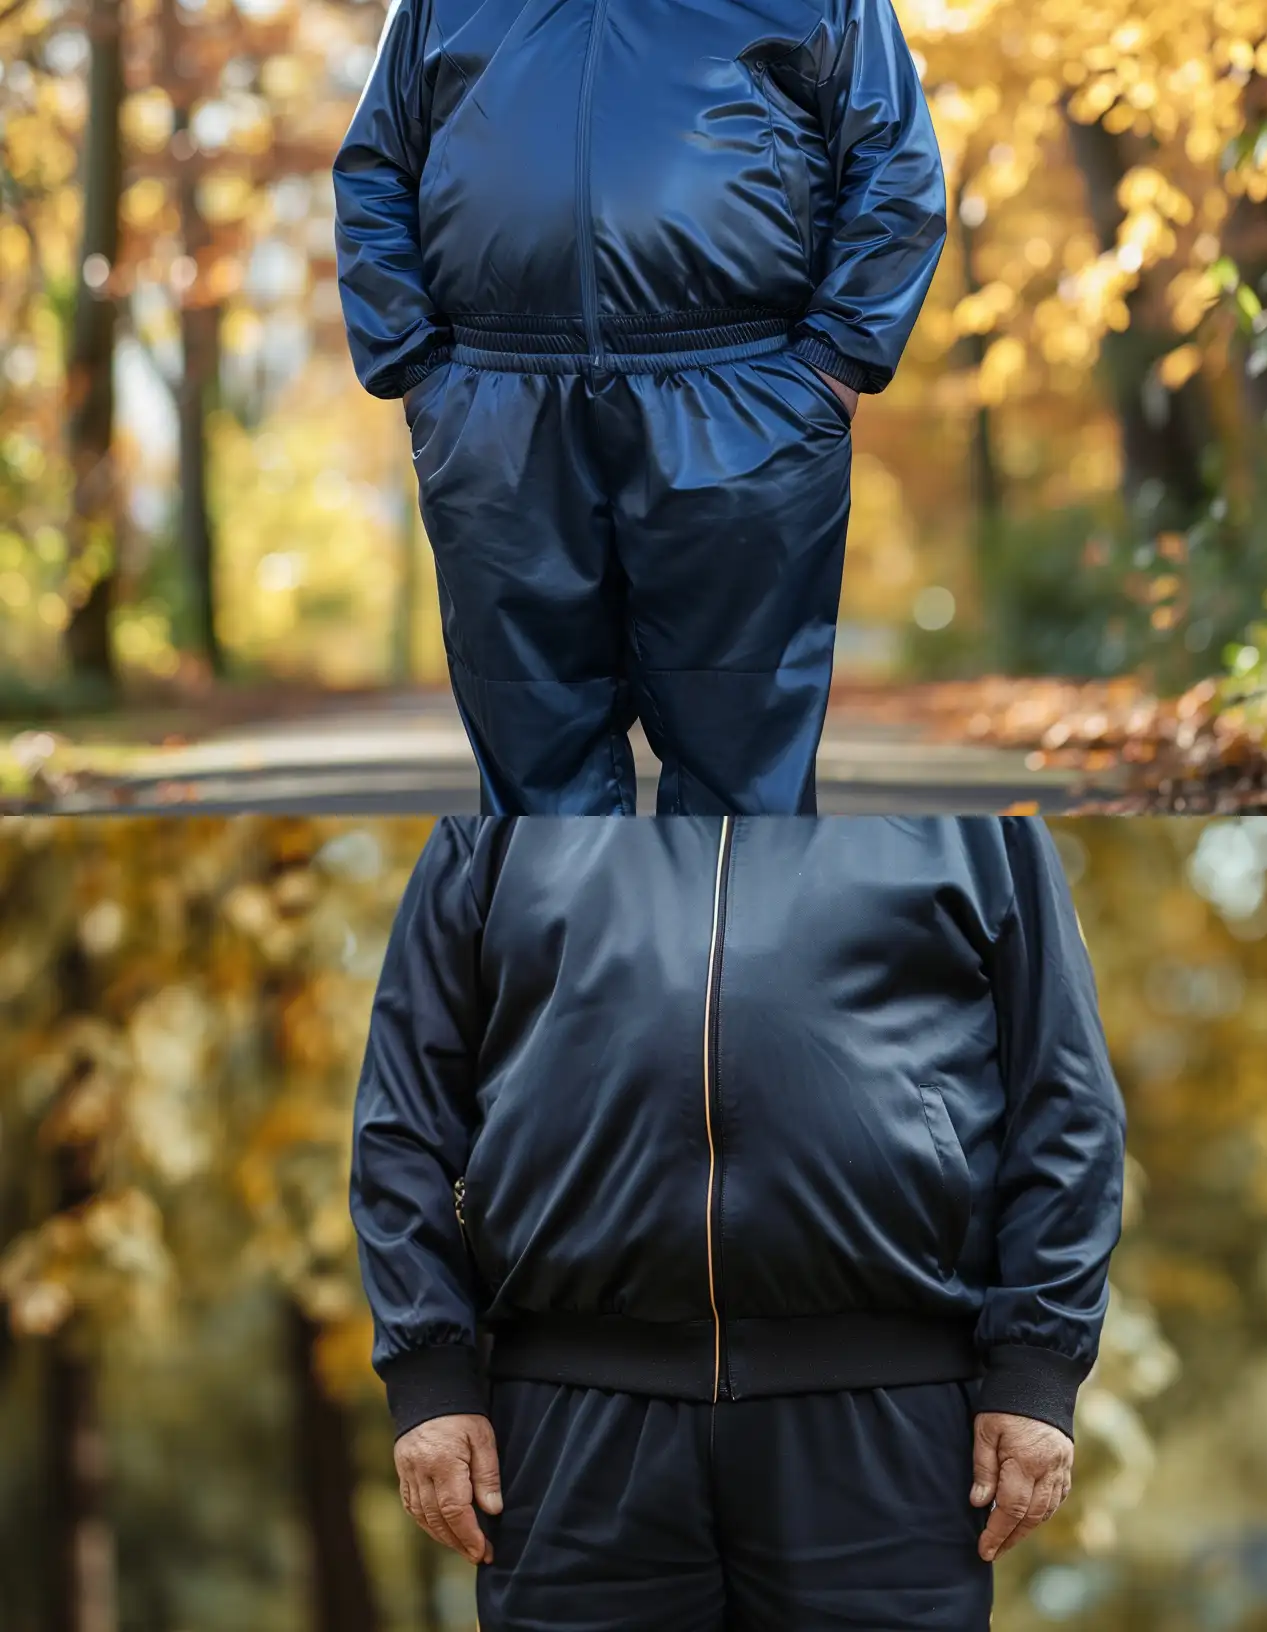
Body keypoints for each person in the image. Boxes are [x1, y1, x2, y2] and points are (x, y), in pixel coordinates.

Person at [352, 817, 1125, 1629]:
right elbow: (403, 1118)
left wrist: (1038, 1368)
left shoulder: (981, 826)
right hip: (569, 1426)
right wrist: (429, 1375)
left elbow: (1066, 1100)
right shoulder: (499, 818)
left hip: (888, 1422)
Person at [333, 0, 947, 814]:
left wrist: (831, 365)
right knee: (535, 789)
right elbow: (374, 172)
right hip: (499, 411)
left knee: (743, 786)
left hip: (743, 401)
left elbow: (896, 169)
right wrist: (417, 370)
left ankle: (732, 943)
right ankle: (571, 945)